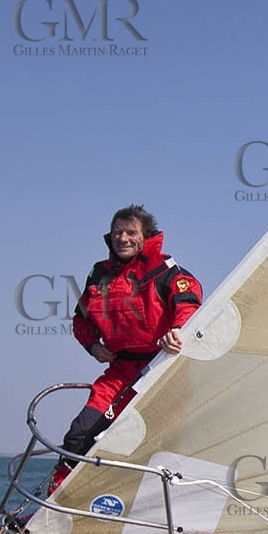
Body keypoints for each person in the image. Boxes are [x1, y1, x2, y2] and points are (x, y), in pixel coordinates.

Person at [52, 205, 202, 487]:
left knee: (156, 446)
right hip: (120, 372)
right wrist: (92, 347)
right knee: (80, 435)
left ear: (145, 237)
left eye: (131, 232)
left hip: (162, 368)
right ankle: (54, 500)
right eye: (118, 232)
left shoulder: (165, 270)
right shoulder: (99, 275)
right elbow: (81, 320)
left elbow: (190, 301)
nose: (123, 238)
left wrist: (177, 331)